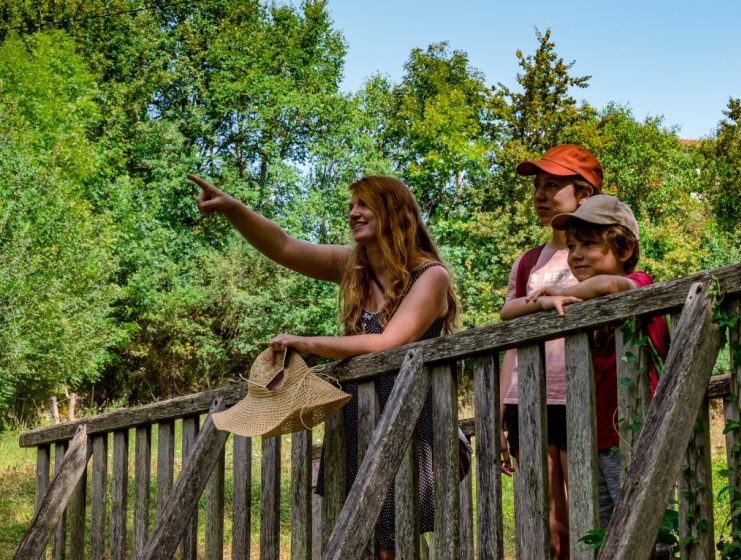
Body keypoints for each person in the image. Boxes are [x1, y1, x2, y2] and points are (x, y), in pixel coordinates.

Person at [188, 173, 458, 559]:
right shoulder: (355, 267)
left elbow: (388, 342)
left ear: (394, 211)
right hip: (359, 420)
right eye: (350, 207)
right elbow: (283, 246)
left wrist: (307, 343)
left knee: (394, 540)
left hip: (412, 422)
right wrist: (233, 209)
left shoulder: (430, 276)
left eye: (364, 205)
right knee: (362, 536)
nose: (353, 213)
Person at [525, 194, 669, 527]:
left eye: (588, 244)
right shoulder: (584, 303)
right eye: (572, 247)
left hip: (637, 435)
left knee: (644, 528)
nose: (575, 255)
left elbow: (608, 285)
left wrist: (560, 296)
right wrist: (546, 301)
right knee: (603, 532)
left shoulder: (640, 284)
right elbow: (509, 312)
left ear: (624, 249)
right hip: (596, 438)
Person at [499, 144, 602, 560]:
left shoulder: (601, 254)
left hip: (581, 396)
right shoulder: (528, 263)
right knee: (542, 521)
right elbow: (510, 329)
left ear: (584, 194)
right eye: (537, 186)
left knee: (582, 516)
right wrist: (498, 408)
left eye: (552, 186)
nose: (540, 195)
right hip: (526, 400)